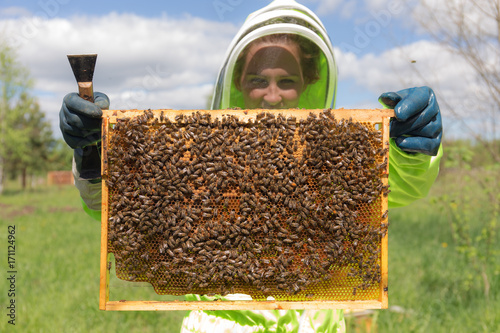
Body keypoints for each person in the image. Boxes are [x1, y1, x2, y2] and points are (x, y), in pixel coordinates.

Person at [59, 0, 442, 332]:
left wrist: (412, 148)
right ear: (237, 82)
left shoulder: (330, 157)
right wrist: (93, 158)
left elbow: (400, 185)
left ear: (308, 83)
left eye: (286, 80)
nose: (272, 94)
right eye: (258, 79)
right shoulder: (198, 158)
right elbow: (116, 208)